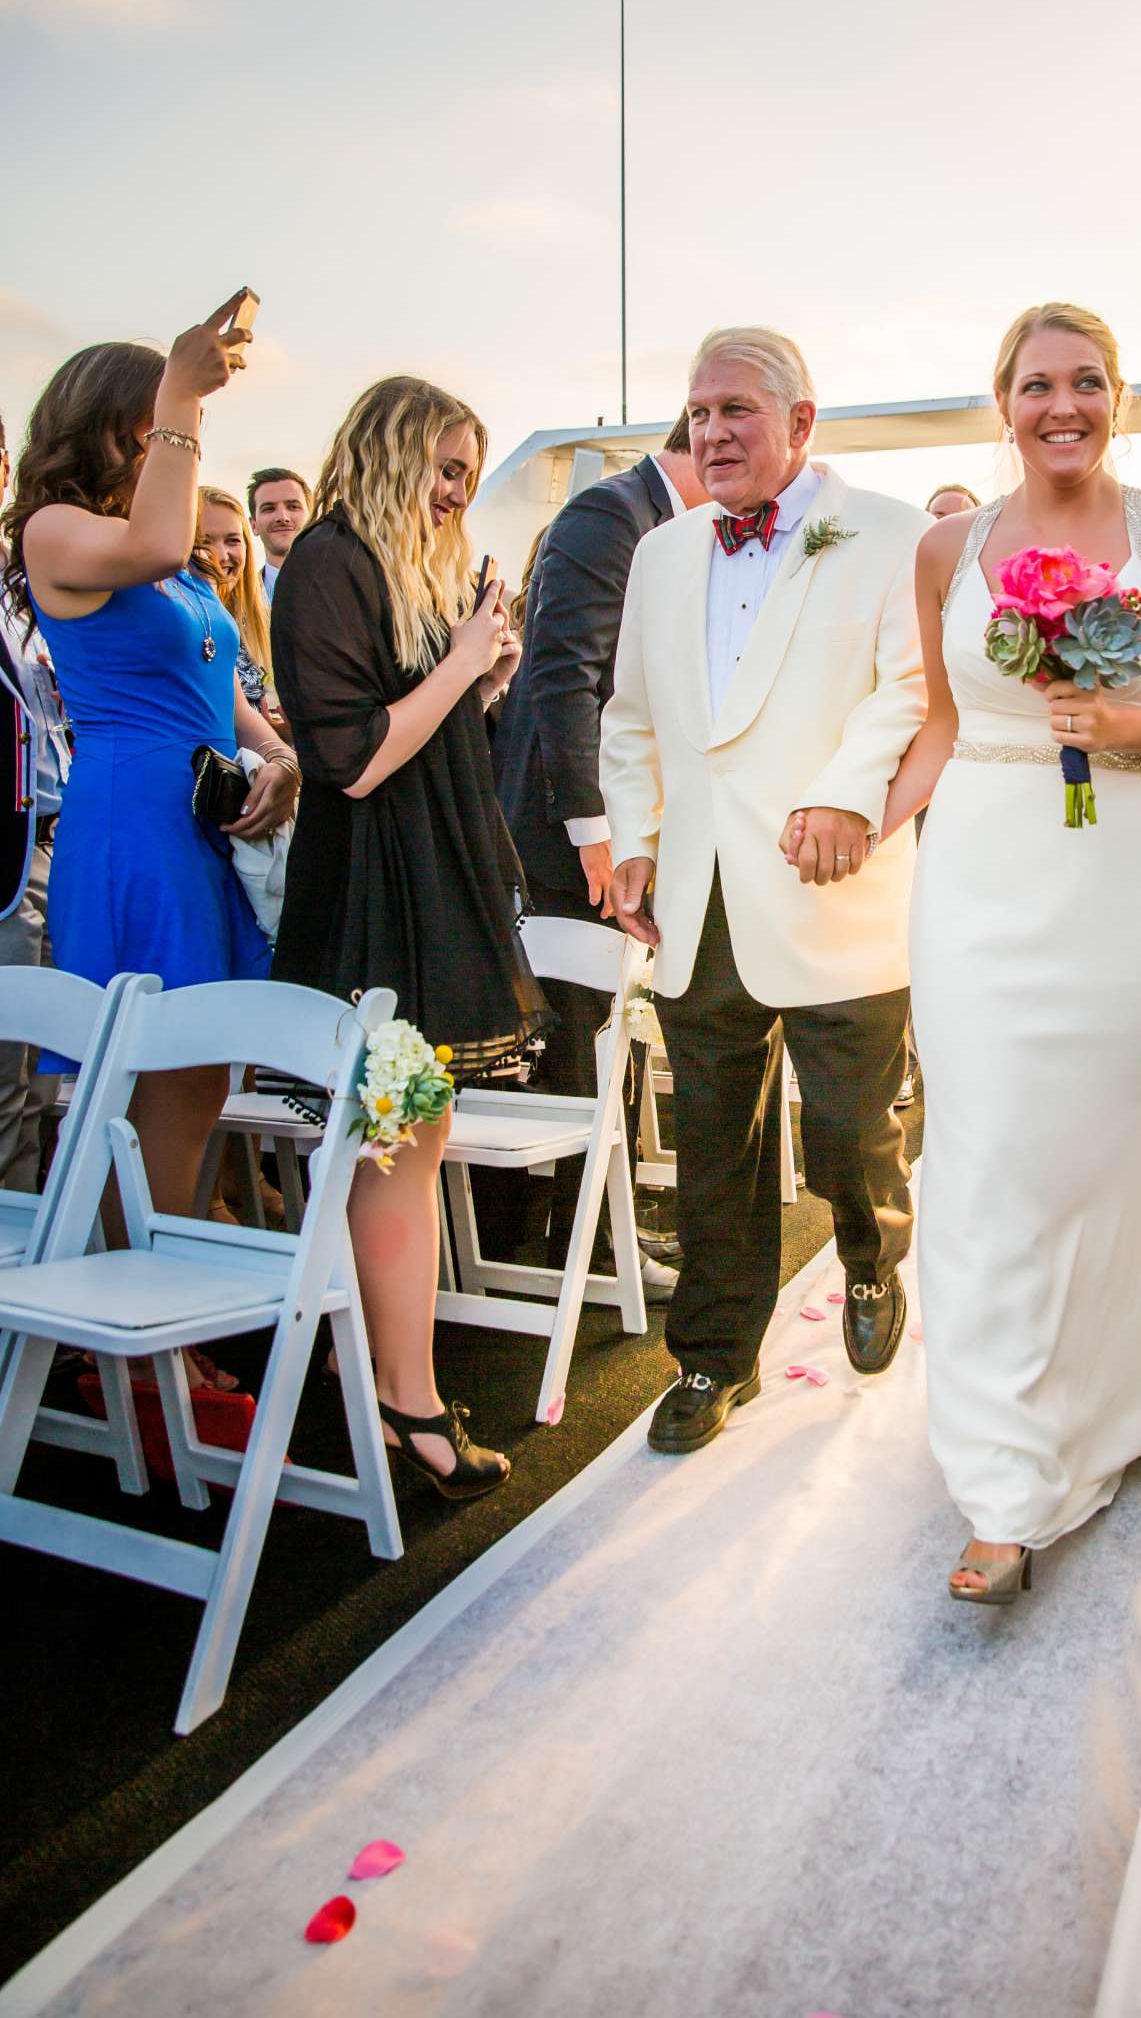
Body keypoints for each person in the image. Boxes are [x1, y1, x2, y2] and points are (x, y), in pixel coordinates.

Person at [880, 300, 1141, 1604]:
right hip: (980, 863)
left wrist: (1124, 712)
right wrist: (859, 816)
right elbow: (935, 721)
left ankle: (1128, 1388)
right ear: (1003, 400)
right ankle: (1010, 1477)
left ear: (1119, 396)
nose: (1063, 406)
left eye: (1087, 381)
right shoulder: (944, 550)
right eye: (1038, 384)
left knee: (1091, 1145)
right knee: (984, 1153)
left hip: (1122, 857)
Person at [601, 327, 927, 1455]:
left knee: (846, 1129)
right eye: (698, 413)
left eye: (737, 409)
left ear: (802, 422)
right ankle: (712, 1356)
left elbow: (911, 691)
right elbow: (632, 717)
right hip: (698, 901)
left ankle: (873, 1254)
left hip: (835, 886)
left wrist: (846, 795)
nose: (713, 432)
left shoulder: (891, 535)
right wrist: (634, 842)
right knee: (715, 1150)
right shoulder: (662, 554)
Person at [271, 375, 538, 1498]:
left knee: (405, 1148)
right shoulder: (328, 563)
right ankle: (404, 1399)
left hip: (429, 883)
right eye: (442, 470)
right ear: (387, 454)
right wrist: (461, 665)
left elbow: (423, 732)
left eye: (468, 478)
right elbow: (356, 758)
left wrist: (485, 680)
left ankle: (394, 1389)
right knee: (392, 1148)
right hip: (376, 900)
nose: (455, 495)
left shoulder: (397, 570)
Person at [1, 297, 298, 1241]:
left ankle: (154, 1290)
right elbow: (161, 537)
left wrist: (279, 757)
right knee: (146, 1066)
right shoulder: (56, 531)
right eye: (159, 427)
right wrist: (182, 394)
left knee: (204, 1067)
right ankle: (121, 1326)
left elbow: (227, 694)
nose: (177, 445)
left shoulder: (172, 570)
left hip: (201, 820)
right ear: (117, 425)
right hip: (133, 824)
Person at [494, 411, 705, 1291]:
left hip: (628, 824)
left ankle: (584, 1234)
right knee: (583, 1036)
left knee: (603, 1033)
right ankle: (576, 1245)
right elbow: (564, 675)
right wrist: (597, 832)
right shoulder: (610, 516)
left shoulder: (667, 523)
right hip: (567, 835)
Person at [0, 416, 72, 1192]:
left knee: (47, 1081)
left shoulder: (25, 584)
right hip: (9, 863)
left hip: (59, 846)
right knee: (5, 1081)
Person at [200, 485, 285, 729]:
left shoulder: (263, 622)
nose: (221, 555)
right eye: (205, 542)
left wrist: (285, 733)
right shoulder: (173, 628)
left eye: (232, 541)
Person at [248, 466, 310, 603]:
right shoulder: (237, 600)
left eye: (293, 507)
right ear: (254, 525)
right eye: (269, 508)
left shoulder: (341, 587)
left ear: (313, 519)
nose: (282, 517)